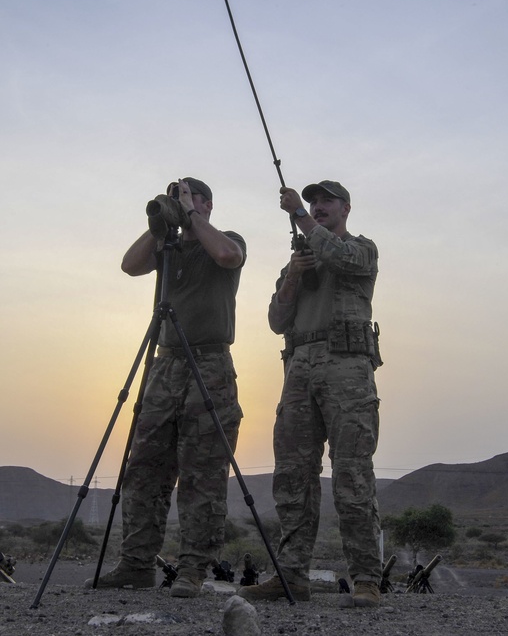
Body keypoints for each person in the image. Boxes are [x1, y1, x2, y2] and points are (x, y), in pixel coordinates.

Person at [94, 177, 247, 599]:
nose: (182, 202)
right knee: (144, 467)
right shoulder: (170, 248)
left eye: (189, 196)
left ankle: (193, 567)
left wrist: (192, 216)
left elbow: (227, 256)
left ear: (208, 203)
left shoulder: (227, 239)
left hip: (210, 363)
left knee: (202, 472)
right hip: (165, 365)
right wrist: (160, 224)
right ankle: (136, 563)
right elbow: (129, 265)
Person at [239, 180, 383, 607]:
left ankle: (366, 580)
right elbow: (276, 320)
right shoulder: (298, 260)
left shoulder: (361, 249)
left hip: (347, 368)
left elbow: (340, 258)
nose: (318, 207)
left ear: (346, 207)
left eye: (326, 201)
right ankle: (290, 577)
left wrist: (299, 214)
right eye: (313, 201)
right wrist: (293, 280)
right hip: (299, 366)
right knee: (293, 476)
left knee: (352, 474)